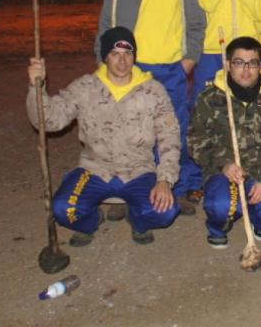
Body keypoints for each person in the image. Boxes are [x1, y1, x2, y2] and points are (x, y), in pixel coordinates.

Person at [26, 27, 182, 246]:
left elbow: (170, 137)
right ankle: (91, 221)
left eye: (127, 54)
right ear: (105, 57)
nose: (122, 61)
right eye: (115, 54)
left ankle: (137, 219)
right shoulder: (85, 87)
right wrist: (37, 87)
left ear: (134, 56)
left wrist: (165, 179)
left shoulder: (153, 91)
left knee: (165, 212)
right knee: (63, 210)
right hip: (95, 169)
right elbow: (49, 120)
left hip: (138, 170)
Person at [96, 0, 206, 214]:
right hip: (135, 69)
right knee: (132, 133)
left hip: (173, 67)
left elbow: (197, 22)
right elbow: (107, 21)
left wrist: (189, 59)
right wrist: (104, 64)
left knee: (174, 130)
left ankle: (175, 188)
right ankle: (126, 193)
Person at [189, 37, 261, 248]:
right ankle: (218, 226)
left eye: (252, 63)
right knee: (221, 206)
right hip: (226, 174)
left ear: (260, 65)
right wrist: (224, 164)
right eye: (239, 62)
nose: (246, 69)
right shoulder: (209, 99)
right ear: (227, 65)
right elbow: (196, 140)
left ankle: (259, 219)